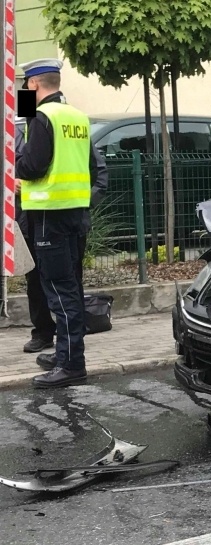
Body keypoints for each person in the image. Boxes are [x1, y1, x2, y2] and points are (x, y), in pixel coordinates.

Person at [15, 58, 100, 388]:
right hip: (75, 213)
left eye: (25, 85)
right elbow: (91, 166)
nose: (23, 90)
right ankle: (66, 353)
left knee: (60, 291)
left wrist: (14, 164)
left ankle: (71, 364)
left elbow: (33, 165)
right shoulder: (76, 116)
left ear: (34, 84)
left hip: (49, 214)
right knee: (71, 288)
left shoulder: (44, 117)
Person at [14, 115, 107, 358]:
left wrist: (81, 202)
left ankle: (72, 341)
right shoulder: (24, 128)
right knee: (35, 277)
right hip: (32, 217)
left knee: (70, 279)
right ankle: (44, 333)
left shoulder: (59, 123)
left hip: (67, 219)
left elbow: (98, 173)